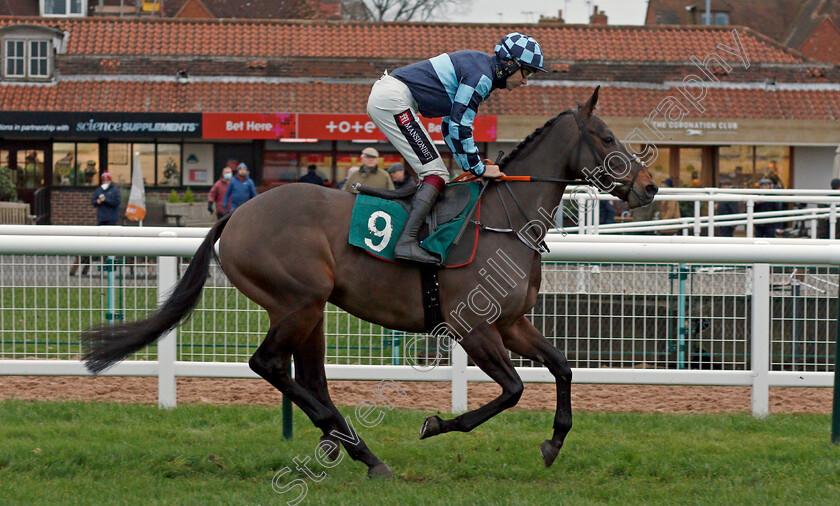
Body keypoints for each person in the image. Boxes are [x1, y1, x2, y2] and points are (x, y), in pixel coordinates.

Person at [366, 32, 545, 263]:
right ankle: (406, 242)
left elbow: (449, 124)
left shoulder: (482, 70)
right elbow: (461, 124)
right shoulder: (482, 77)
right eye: (526, 72)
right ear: (510, 64)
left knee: (435, 171)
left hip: (391, 97)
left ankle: (412, 236)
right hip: (393, 100)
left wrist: (471, 167)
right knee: (436, 172)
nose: (525, 82)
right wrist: (478, 168)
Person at [71, 172, 121, 276]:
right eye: (104, 180)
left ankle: (109, 260)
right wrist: (98, 201)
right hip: (102, 218)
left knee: (111, 240)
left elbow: (116, 202)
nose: (105, 182)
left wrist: (105, 200)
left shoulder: (115, 190)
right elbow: (93, 201)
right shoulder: (99, 190)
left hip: (111, 218)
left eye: (107, 180)